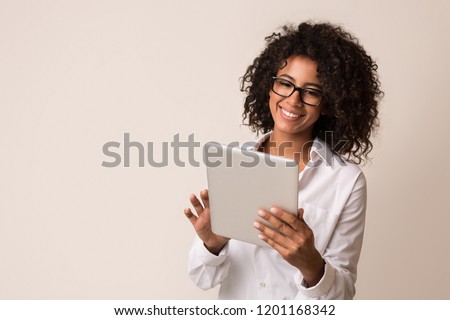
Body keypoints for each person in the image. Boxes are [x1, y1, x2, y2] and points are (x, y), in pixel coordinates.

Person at [183, 21, 382, 299]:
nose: (293, 100)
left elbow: (343, 295)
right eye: (285, 84)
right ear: (269, 86)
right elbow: (202, 277)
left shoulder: (346, 180)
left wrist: (312, 264)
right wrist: (211, 243)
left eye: (311, 92)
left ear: (330, 103)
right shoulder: (235, 162)